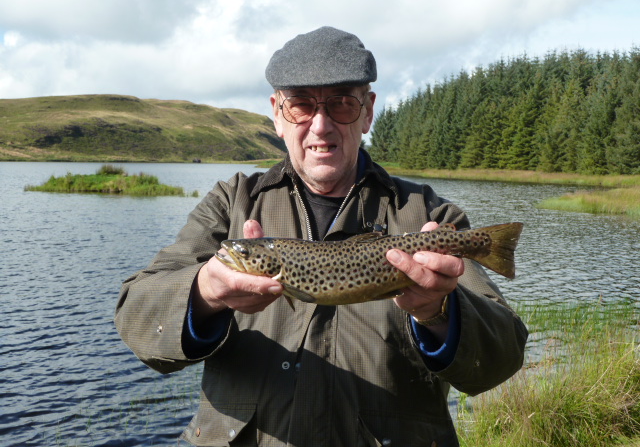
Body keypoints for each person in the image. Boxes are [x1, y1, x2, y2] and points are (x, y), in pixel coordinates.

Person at [115, 26, 528, 446]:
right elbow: (135, 315)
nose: (321, 126)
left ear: (367, 112)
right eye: (301, 106)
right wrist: (203, 293)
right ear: (277, 113)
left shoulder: (430, 216)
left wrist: (439, 313)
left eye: (342, 104)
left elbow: (503, 355)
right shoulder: (231, 202)